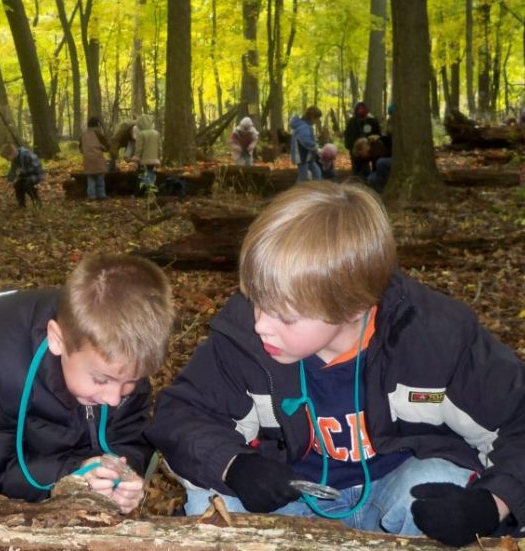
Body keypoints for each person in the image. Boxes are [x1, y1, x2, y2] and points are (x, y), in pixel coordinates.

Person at [148, 181, 524, 548]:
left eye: (285, 316)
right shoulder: (245, 339)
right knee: (213, 503)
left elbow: (517, 422)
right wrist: (235, 465)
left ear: (353, 308)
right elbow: (180, 414)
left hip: (396, 486)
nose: (261, 323)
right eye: (257, 300)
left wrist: (492, 504)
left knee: (442, 483)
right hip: (292, 496)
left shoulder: (435, 338)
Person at [0, 255, 175, 514]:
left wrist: (121, 479)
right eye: (101, 380)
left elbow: (130, 437)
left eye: (131, 382)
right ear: (57, 339)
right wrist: (75, 473)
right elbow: (1, 465)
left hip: (57, 415)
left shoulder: (119, 354)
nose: (115, 398)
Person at [344, 102, 382, 178]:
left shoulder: (373, 122)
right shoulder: (352, 123)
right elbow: (348, 141)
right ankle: (358, 177)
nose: (362, 119)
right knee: (359, 171)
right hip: (356, 151)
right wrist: (358, 148)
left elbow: (378, 136)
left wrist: (369, 146)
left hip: (371, 149)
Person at [3, 143, 44, 208]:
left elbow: (35, 167)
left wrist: (24, 171)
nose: (8, 160)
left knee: (27, 184)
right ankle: (21, 204)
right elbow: (12, 171)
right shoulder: (14, 160)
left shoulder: (27, 155)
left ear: (12, 153)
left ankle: (37, 202)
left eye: (8, 158)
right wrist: (10, 180)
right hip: (25, 175)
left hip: (36, 174)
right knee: (17, 185)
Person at [290, 106, 323, 182]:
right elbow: (305, 141)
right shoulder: (304, 127)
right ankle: (297, 192)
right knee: (303, 177)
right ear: (312, 117)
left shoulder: (305, 126)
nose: (317, 121)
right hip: (302, 156)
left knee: (317, 172)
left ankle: (316, 189)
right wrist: (316, 147)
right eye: (317, 118)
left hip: (307, 156)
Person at [80, 117, 110, 201]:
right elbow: (107, 146)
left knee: (90, 179)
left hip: (87, 160)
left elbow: (81, 149)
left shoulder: (83, 135)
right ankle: (101, 195)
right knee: (100, 178)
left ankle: (91, 196)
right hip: (98, 160)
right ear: (97, 125)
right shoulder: (98, 134)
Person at [132, 114, 162, 190]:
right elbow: (159, 147)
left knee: (142, 174)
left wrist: (135, 160)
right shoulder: (156, 133)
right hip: (154, 159)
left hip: (143, 160)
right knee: (151, 172)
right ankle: (151, 189)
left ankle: (144, 190)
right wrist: (159, 157)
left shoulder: (141, 134)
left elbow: (139, 149)